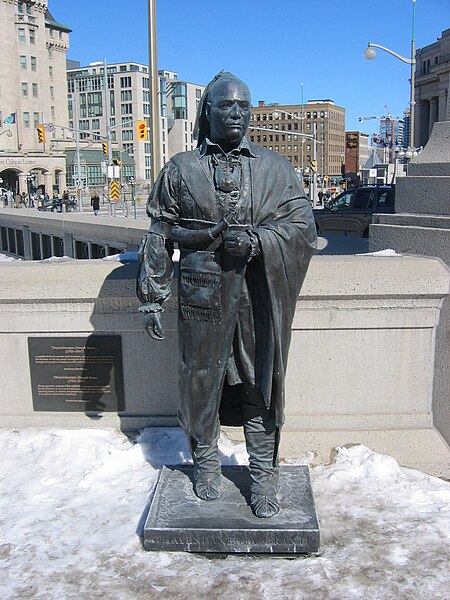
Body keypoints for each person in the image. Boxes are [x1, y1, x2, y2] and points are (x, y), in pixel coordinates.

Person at [136, 72, 317, 518]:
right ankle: (206, 465)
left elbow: (304, 228)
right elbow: (159, 234)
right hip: (202, 297)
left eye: (244, 105)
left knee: (260, 384)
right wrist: (153, 296)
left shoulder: (275, 168)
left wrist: (258, 242)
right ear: (208, 112)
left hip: (258, 296)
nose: (237, 113)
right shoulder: (182, 169)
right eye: (227, 106)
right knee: (202, 385)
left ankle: (262, 475)